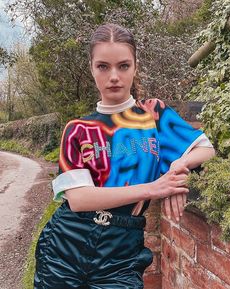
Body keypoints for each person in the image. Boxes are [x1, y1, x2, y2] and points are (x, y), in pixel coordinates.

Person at [34, 23, 215, 289]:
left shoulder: (154, 115)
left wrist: (178, 167)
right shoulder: (78, 129)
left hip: (122, 252)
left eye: (123, 65)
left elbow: (206, 149)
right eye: (103, 66)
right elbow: (79, 199)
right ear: (91, 68)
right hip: (65, 245)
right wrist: (154, 189)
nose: (114, 76)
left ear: (135, 66)